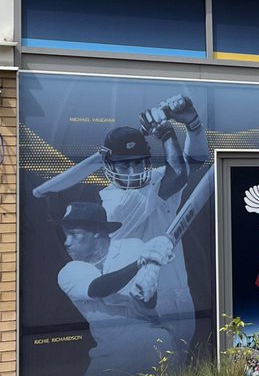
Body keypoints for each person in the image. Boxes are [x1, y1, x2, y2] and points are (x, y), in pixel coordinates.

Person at [35, 94, 210, 351]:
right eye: (124, 165)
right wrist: (165, 131)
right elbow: (180, 173)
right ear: (109, 166)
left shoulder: (157, 180)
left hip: (180, 294)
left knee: (176, 369)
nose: (133, 172)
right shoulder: (114, 202)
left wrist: (193, 124)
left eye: (138, 163)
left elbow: (193, 163)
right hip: (141, 299)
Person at [55, 202, 175, 376]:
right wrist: (141, 263)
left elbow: (149, 301)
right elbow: (99, 288)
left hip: (153, 343)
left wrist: (149, 275)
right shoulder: (68, 271)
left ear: (97, 232)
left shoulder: (134, 247)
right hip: (111, 352)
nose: (66, 242)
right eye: (66, 235)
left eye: (73, 234)